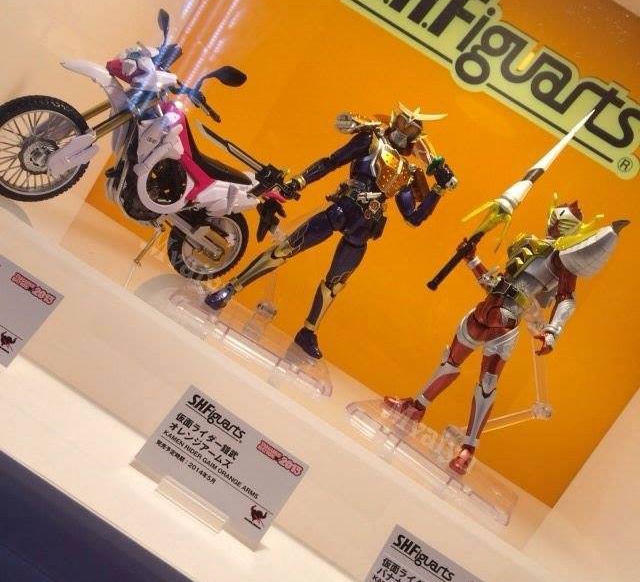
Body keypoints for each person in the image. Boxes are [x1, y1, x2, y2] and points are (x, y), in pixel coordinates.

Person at [384, 199, 628, 476]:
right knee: (448, 362)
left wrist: (552, 331)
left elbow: (566, 299)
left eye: (563, 220)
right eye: (555, 217)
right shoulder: (529, 244)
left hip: (506, 321)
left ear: (572, 227)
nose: (555, 223)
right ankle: (415, 408)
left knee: (486, 385)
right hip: (483, 310)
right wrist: (472, 259)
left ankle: (468, 449)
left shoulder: (561, 259)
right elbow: (495, 283)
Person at [206, 104, 457, 358]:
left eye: (412, 128)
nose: (404, 130)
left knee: (334, 284)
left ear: (417, 136)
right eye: (403, 122)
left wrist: (439, 190)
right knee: (284, 250)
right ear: (394, 120)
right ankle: (230, 289)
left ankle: (308, 332)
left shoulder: (408, 172)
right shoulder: (371, 140)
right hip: (341, 209)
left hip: (364, 228)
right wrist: (299, 181)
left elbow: (413, 218)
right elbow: (331, 162)